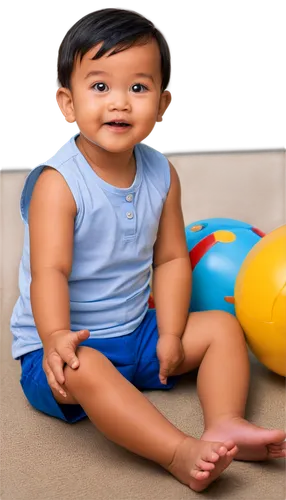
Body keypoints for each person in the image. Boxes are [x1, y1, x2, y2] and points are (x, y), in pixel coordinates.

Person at [10, 7, 285, 493]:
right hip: (68, 347)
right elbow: (49, 271)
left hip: (138, 331)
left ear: (163, 105)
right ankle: (177, 451)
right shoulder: (59, 183)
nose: (119, 102)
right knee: (87, 367)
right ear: (66, 104)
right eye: (100, 87)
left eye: (138, 88)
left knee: (221, 327)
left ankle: (225, 422)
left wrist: (172, 333)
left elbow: (173, 258)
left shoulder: (161, 174)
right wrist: (54, 337)